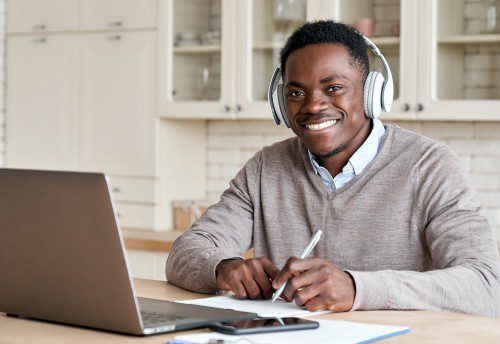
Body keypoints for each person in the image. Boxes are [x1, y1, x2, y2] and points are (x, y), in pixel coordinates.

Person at [166, 20, 500, 317]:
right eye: (296, 92)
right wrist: (222, 268)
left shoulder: (430, 166)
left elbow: (486, 284)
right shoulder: (265, 168)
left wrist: (357, 289)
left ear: (372, 93)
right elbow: (186, 251)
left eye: (334, 88)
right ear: (280, 103)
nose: (312, 105)